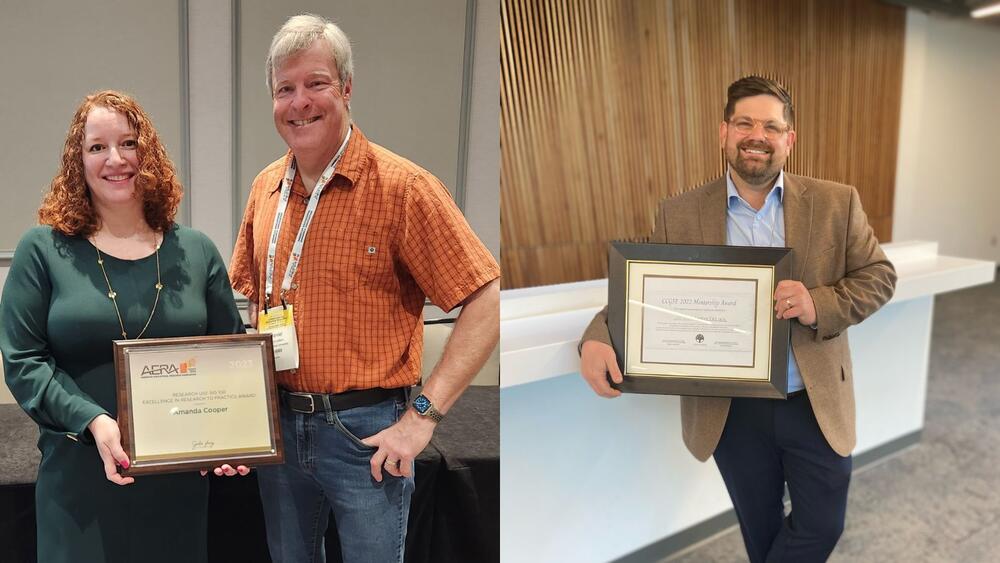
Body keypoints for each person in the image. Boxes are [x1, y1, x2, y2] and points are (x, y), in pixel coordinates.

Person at [579, 76, 897, 562]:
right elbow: (643, 287)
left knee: (821, 525)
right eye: (745, 122)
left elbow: (879, 275)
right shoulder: (680, 213)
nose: (758, 135)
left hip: (811, 399)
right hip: (730, 408)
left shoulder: (837, 201)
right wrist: (597, 337)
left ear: (789, 139)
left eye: (772, 126)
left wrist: (819, 304)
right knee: (760, 526)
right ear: (724, 132)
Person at [228, 14, 501, 563]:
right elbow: (257, 305)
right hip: (278, 427)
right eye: (286, 88)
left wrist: (422, 417)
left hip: (368, 435)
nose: (300, 101)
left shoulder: (404, 189)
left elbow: (486, 303)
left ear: (347, 88)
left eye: (316, 83)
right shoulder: (265, 189)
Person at [0, 90, 246, 563]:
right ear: (79, 160)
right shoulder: (43, 249)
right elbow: (24, 361)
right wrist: (92, 419)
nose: (115, 159)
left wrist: (233, 434)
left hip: (177, 485)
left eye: (128, 143)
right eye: (97, 147)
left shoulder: (195, 251)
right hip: (79, 479)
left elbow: (231, 356)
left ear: (147, 152)